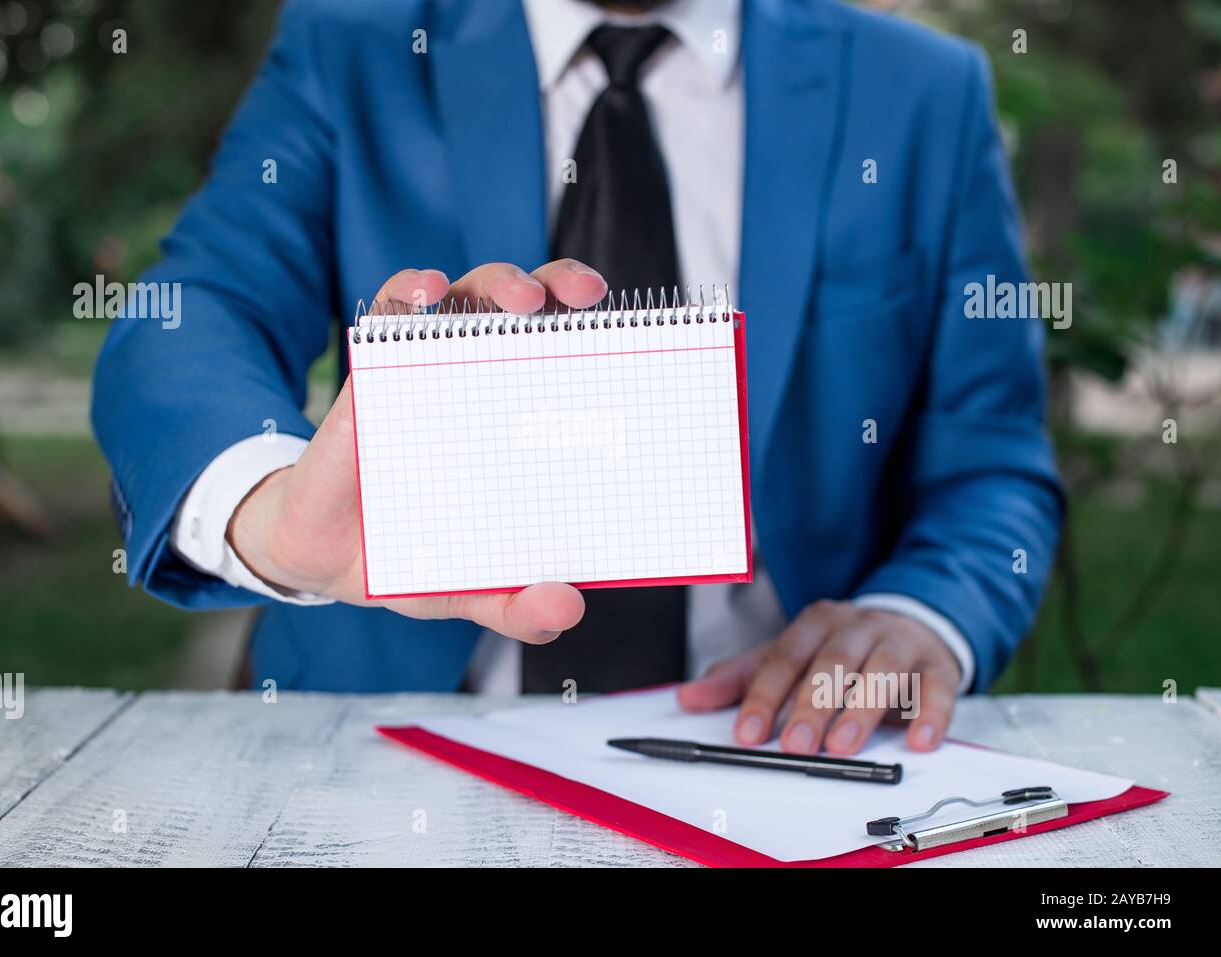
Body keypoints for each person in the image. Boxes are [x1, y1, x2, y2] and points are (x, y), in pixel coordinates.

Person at [92, 0, 1062, 756]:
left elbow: (990, 456)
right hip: (385, 737)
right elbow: (198, 307)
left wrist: (920, 615)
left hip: (774, 740)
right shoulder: (353, 46)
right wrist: (268, 512)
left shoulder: (920, 91)